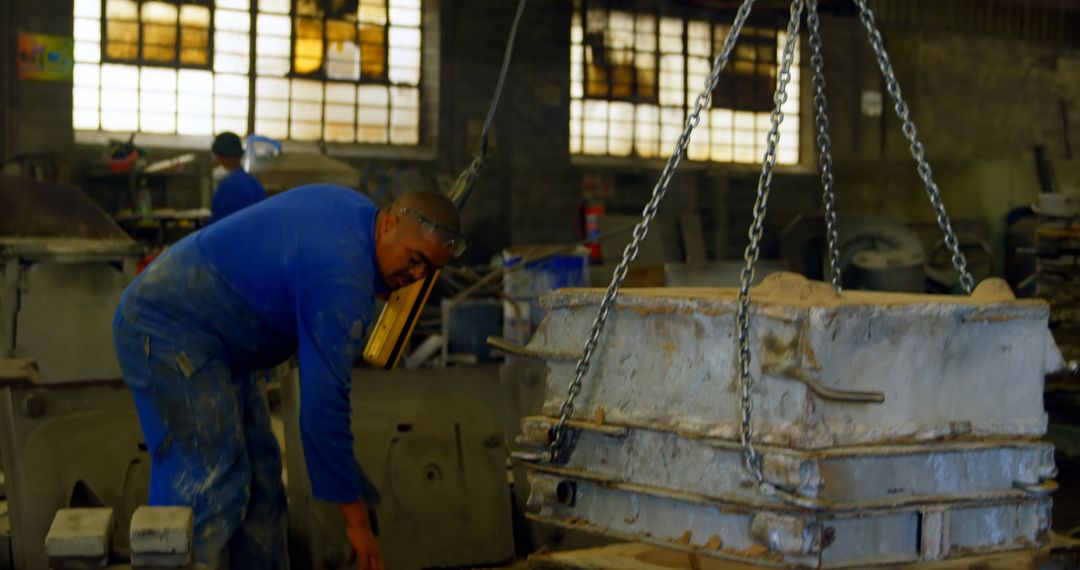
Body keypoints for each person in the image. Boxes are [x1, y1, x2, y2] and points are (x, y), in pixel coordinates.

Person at [112, 184, 466, 569]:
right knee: (207, 481)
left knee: (263, 484)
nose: (416, 276)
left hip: (222, 342)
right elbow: (322, 411)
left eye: (429, 269)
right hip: (168, 325)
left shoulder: (359, 216)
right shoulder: (342, 278)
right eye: (415, 259)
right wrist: (357, 522)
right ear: (389, 225)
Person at [209, 132, 267, 224]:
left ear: (229, 157)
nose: (215, 163)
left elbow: (219, 225)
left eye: (218, 157)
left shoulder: (230, 186)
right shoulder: (253, 182)